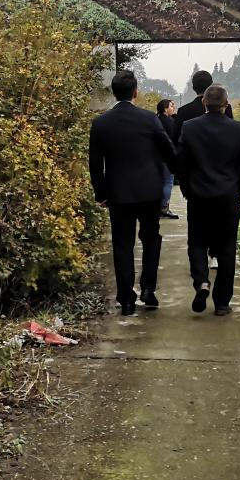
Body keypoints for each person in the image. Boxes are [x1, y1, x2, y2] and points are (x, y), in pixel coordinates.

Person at [89, 71, 177, 315]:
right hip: (150, 191)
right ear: (135, 92)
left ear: (113, 92)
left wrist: (101, 193)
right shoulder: (149, 119)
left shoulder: (101, 123)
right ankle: (148, 288)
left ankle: (126, 299)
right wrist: (177, 172)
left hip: (119, 194)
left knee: (122, 244)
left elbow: (95, 163)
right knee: (151, 239)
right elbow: (168, 151)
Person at [176, 85, 240, 316]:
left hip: (199, 196)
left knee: (197, 242)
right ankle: (222, 303)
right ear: (226, 105)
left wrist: (187, 189)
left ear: (204, 103)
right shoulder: (239, 129)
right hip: (228, 197)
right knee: (227, 247)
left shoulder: (190, 127)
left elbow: (181, 163)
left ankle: (202, 281)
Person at [172, 69, 233, 146]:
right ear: (211, 86)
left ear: (193, 87)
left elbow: (175, 139)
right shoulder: (225, 107)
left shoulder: (183, 111)